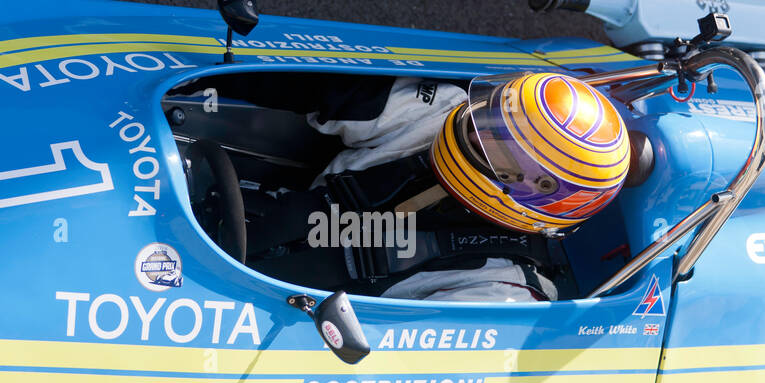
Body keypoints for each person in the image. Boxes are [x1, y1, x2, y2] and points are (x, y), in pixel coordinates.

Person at [231, 71, 634, 302]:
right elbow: (324, 92)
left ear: (535, 192)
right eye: (495, 118)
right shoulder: (445, 108)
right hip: (252, 215)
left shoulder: (506, 292)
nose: (479, 132)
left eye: (501, 147)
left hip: (276, 315)